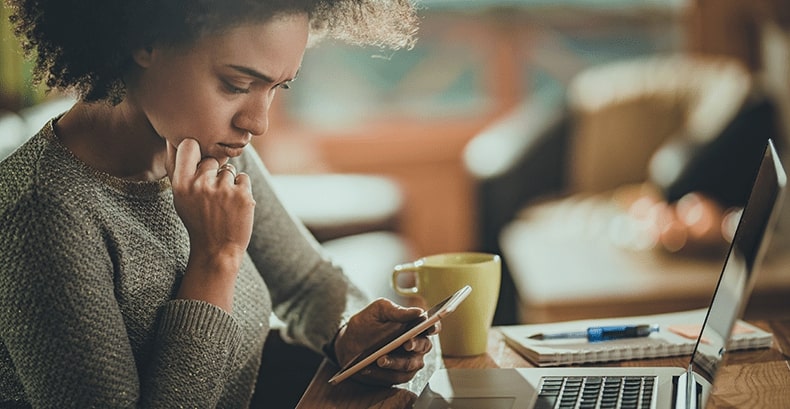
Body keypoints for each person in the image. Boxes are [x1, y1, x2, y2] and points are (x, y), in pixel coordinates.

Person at [0, 0, 434, 407]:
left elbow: (305, 283)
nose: (257, 123)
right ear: (145, 41)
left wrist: (348, 332)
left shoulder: (209, 145)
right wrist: (214, 259)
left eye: (277, 87)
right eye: (237, 85)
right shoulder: (41, 216)